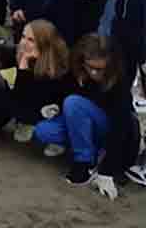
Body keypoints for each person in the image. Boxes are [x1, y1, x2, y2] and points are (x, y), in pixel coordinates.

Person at [34, 34, 140, 197]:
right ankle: (91, 150)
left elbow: (122, 125)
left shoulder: (118, 81)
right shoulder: (76, 70)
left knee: (74, 103)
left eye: (99, 69)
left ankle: (83, 162)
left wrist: (108, 170)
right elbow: (62, 91)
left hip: (108, 127)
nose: (93, 72)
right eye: (90, 67)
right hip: (81, 123)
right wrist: (54, 105)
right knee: (43, 130)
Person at [9, 20, 70, 153]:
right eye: (23, 36)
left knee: (43, 130)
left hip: (55, 111)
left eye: (31, 40)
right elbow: (19, 95)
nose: (24, 42)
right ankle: (27, 123)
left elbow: (48, 98)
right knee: (9, 99)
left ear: (44, 44)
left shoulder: (58, 63)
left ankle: (59, 140)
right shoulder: (23, 54)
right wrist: (23, 65)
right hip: (38, 107)